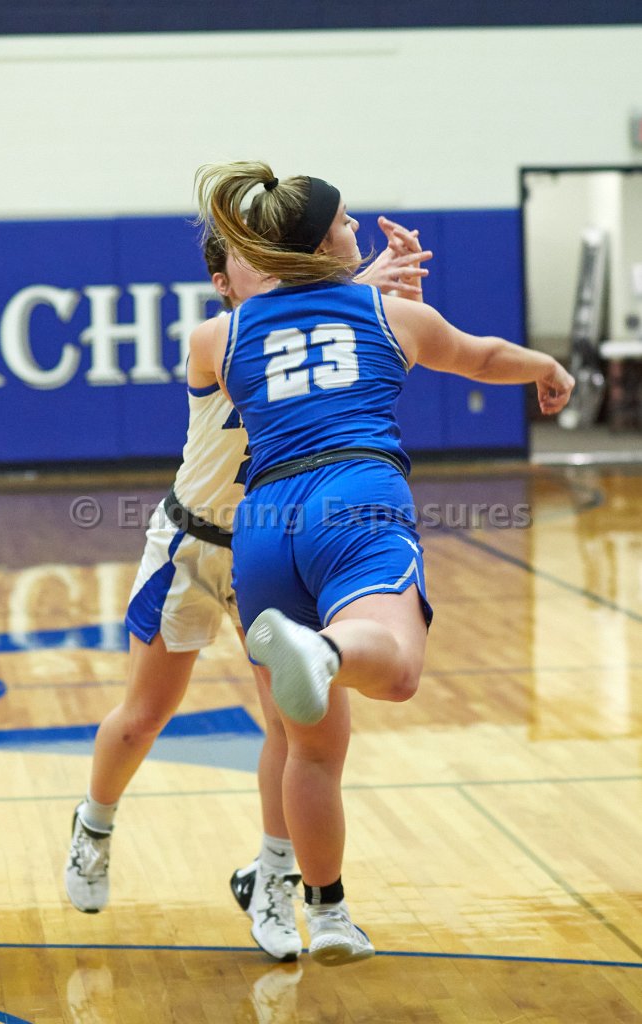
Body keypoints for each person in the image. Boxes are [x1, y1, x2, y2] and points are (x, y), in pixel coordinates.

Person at [188, 160, 575, 967]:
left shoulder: (220, 336)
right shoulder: (391, 314)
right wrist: (545, 367)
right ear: (322, 243)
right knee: (394, 670)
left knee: (311, 749)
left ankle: (327, 911)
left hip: (262, 524)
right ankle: (325, 649)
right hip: (354, 495)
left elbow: (295, 314)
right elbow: (480, 357)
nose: (357, 227)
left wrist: (352, 278)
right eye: (345, 221)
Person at [63, 216, 431, 964]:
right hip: (192, 545)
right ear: (223, 283)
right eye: (244, 258)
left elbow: (348, 328)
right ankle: (93, 824)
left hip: (272, 545)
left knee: (293, 726)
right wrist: (367, 281)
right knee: (144, 716)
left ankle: (272, 876)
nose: (263, 266)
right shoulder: (221, 339)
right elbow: (299, 317)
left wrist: (370, 287)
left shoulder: (335, 325)